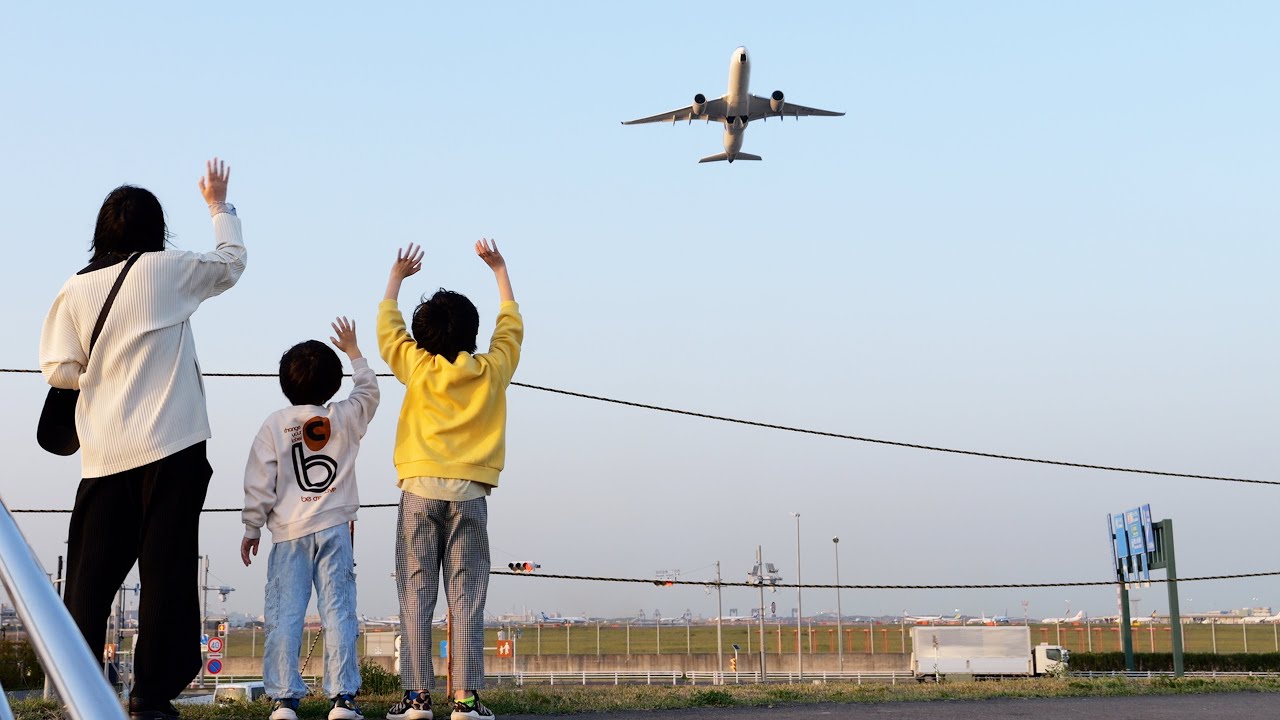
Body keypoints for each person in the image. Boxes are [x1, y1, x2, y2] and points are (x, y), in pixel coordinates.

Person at [39, 158, 246, 720]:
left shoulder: (75, 290)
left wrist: (101, 376)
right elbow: (231, 263)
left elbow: (58, 367)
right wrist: (218, 205)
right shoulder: (167, 269)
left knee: (89, 578)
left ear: (100, 232)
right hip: (173, 445)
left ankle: (79, 689)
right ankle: (150, 698)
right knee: (166, 573)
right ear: (156, 231)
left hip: (105, 452)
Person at [377, 240, 522, 720]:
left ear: (422, 339)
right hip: (471, 495)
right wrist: (499, 271)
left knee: (416, 595)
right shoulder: (490, 371)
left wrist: (397, 277)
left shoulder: (417, 367)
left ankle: (417, 698)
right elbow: (511, 330)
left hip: (418, 491)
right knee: (466, 597)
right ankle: (465, 701)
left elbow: (387, 331)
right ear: (472, 334)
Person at [240, 317, 380, 720]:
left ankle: (284, 699)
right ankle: (342, 699)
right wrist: (354, 351)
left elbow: (259, 481)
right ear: (334, 384)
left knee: (285, 613)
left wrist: (252, 526)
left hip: (287, 534)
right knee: (339, 610)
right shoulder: (346, 416)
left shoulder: (274, 424)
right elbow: (369, 391)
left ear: (285, 383)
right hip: (335, 528)